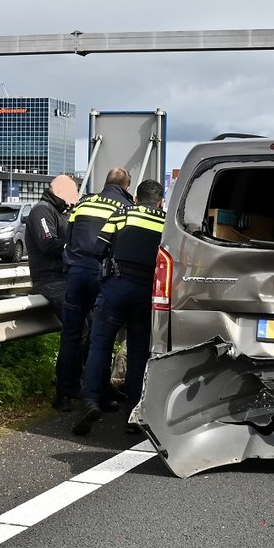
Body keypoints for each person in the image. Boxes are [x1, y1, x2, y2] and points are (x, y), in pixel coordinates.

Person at [72, 180, 165, 436]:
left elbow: (99, 248)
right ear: (160, 201)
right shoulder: (166, 222)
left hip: (116, 287)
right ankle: (133, 417)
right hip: (145, 293)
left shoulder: (123, 213)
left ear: (136, 198)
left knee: (100, 345)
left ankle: (90, 401)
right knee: (137, 354)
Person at [54, 167, 133, 410]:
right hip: (102, 277)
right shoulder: (124, 208)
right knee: (101, 338)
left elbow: (69, 236)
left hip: (76, 275)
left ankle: (64, 394)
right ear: (126, 186)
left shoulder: (83, 204)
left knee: (71, 335)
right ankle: (99, 393)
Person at [23, 174, 79, 408]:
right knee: (77, 328)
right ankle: (64, 392)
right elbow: (48, 244)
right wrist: (77, 246)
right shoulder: (42, 211)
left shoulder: (63, 212)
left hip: (67, 277)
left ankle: (80, 384)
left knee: (92, 325)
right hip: (49, 279)